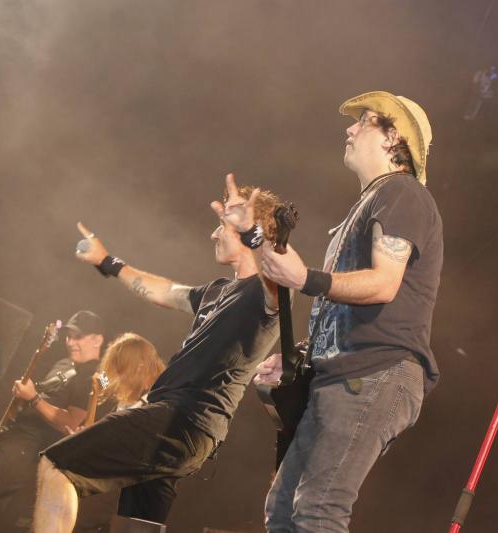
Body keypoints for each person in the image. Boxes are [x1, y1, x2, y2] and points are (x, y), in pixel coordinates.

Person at [32, 176, 284, 532]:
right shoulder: (216, 291)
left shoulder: (266, 292)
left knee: (57, 465)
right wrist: (107, 261)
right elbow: (164, 291)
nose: (213, 234)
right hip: (180, 429)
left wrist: (252, 233)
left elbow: (277, 285)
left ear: (249, 231)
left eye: (223, 226)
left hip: (181, 419)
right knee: (137, 525)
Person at [256, 91, 444, 532]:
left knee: (318, 510)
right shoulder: (373, 202)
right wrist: (300, 355)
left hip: (374, 371)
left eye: (365, 121)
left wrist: (305, 278)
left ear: (393, 137)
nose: (350, 128)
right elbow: (347, 311)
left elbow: (383, 284)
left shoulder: (401, 193)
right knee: (283, 512)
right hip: (343, 373)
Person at [0, 310, 104, 532]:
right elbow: (32, 414)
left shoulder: (92, 378)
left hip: (25, 456)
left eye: (78, 337)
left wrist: (34, 398)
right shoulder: (64, 364)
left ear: (97, 340)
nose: (71, 342)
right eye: (69, 336)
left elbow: (73, 423)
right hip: (12, 447)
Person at [73, 332, 165, 533]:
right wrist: (95, 395)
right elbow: (91, 431)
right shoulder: (125, 398)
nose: (117, 375)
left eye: (121, 368)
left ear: (139, 366)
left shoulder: (155, 401)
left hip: (125, 488)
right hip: (105, 479)